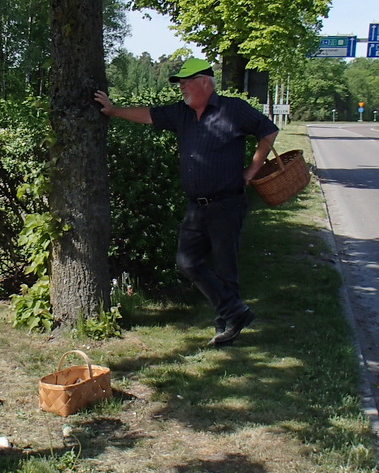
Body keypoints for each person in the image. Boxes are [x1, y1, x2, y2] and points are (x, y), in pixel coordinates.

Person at [94, 57, 279, 346]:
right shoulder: (180, 113)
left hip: (226, 203)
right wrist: (113, 110)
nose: (181, 87)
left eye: (186, 82)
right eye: (180, 83)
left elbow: (268, 131)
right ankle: (235, 312)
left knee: (225, 268)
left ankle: (226, 326)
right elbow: (147, 114)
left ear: (205, 81)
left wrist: (252, 170)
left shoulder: (233, 109)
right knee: (187, 262)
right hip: (197, 206)